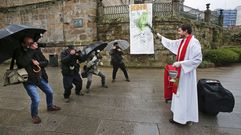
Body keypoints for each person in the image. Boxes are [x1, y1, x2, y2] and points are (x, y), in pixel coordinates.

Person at [157, 24, 202, 125]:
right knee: (177, 94)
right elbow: (172, 43)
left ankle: (184, 118)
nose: (178, 33)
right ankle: (178, 116)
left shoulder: (194, 43)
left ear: (186, 31)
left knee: (184, 95)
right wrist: (161, 37)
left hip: (187, 74)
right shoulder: (183, 41)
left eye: (180, 31)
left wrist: (181, 63)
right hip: (180, 73)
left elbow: (197, 59)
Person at [15, 37, 61, 124]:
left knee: (50, 92)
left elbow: (46, 62)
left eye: (32, 42)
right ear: (23, 44)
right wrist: (31, 50)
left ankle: (50, 106)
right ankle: (34, 115)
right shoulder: (19, 52)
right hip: (28, 80)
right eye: (29, 43)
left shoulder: (36, 50)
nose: (32, 44)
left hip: (40, 77)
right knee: (36, 99)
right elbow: (22, 63)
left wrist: (39, 63)